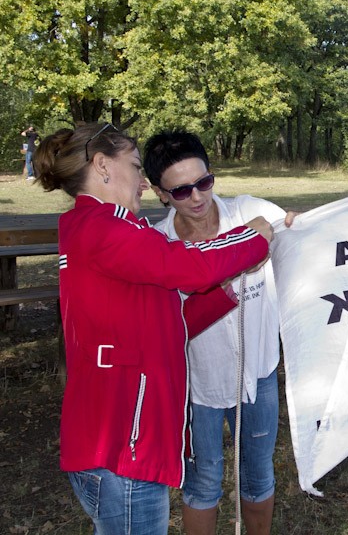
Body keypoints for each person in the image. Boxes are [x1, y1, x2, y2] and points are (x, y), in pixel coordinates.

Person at [33, 122, 273, 535]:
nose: (142, 180)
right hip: (123, 450)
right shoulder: (104, 229)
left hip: (120, 445)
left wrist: (226, 290)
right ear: (103, 165)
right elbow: (190, 266)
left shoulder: (100, 228)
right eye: (135, 165)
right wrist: (253, 240)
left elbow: (168, 321)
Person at [143, 129, 293, 535]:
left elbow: (298, 233)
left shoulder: (248, 212)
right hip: (198, 387)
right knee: (203, 484)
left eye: (204, 182)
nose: (197, 197)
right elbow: (164, 325)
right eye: (181, 191)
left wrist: (293, 226)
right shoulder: (158, 244)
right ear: (159, 193)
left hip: (257, 376)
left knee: (259, 475)